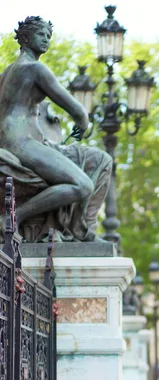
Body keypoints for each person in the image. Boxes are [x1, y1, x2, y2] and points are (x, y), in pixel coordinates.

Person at [0, 16, 112, 242]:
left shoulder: (6, 73)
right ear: (24, 37)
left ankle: (79, 229)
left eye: (48, 36)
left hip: (17, 140)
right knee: (82, 185)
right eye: (40, 34)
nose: (46, 40)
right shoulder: (35, 68)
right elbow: (78, 112)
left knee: (97, 159)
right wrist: (83, 124)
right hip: (22, 143)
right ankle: (15, 216)